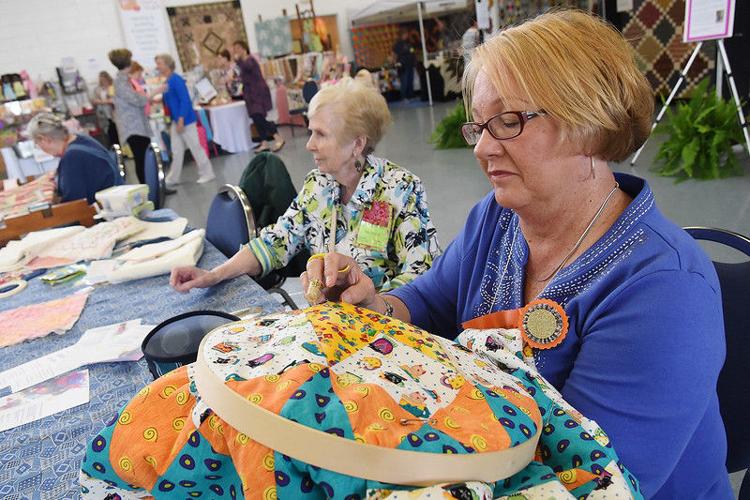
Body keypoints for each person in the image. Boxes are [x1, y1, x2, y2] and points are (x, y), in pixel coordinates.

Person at [302, 10, 732, 500]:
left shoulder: (664, 288)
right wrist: (373, 303)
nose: (482, 148)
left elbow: (598, 481)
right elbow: (429, 302)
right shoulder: (498, 217)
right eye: (480, 126)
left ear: (590, 122)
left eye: (508, 121)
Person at [170, 81, 441, 295]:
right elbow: (275, 242)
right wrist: (213, 275)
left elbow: (421, 274)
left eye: (321, 134)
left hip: (384, 328)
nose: (309, 144)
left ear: (357, 144)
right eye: (310, 132)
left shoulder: (400, 188)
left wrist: (373, 304)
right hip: (328, 322)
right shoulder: (318, 185)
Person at [27, 113, 122, 204]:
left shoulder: (73, 155)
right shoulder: (78, 139)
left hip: (108, 208)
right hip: (115, 197)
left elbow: (74, 203)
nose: (40, 148)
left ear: (44, 139)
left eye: (37, 144)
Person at [154, 53, 216, 186]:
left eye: (159, 63)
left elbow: (185, 100)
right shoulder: (169, 81)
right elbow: (172, 100)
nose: (157, 66)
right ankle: (172, 178)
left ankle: (207, 173)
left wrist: (181, 119)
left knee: (195, 147)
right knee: (176, 150)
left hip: (185, 120)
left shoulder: (176, 80)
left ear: (167, 65)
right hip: (177, 121)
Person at [231, 40, 284, 153]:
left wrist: (238, 60)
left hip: (258, 93)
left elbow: (247, 67)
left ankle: (277, 137)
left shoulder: (250, 60)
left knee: (259, 116)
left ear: (244, 49)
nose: (236, 52)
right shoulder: (242, 63)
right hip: (249, 94)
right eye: (234, 49)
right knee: (255, 118)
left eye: (237, 49)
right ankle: (264, 142)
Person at [108, 48, 152, 184]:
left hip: (137, 125)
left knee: (145, 159)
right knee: (141, 160)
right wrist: (152, 93)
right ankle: (148, 189)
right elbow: (138, 100)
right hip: (133, 127)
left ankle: (152, 184)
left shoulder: (125, 80)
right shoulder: (120, 82)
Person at [90, 71, 118, 147]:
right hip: (104, 115)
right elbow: (94, 101)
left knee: (116, 132)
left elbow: (113, 100)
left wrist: (101, 101)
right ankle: (114, 149)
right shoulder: (98, 89)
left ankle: (120, 150)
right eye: (101, 80)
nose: (103, 82)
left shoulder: (112, 87)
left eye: (104, 80)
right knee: (109, 132)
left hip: (114, 114)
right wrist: (103, 101)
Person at [392, 29, 416, 99]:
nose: (407, 35)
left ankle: (411, 95)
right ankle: (404, 97)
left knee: (410, 81)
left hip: (410, 64)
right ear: (402, 34)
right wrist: (394, 63)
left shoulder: (409, 43)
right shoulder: (398, 44)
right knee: (404, 82)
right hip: (403, 65)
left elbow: (412, 51)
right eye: (406, 34)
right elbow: (394, 54)